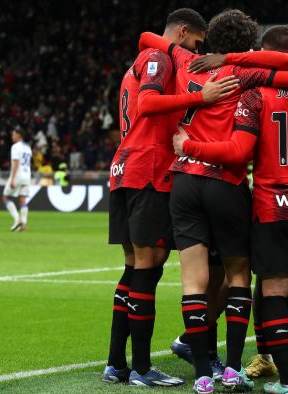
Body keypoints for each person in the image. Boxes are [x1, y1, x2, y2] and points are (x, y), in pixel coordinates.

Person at [141, 11, 288, 394]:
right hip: (230, 182)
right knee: (241, 275)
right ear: (248, 47)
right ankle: (235, 369)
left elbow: (146, 37)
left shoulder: (183, 58)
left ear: (209, 40)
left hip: (185, 180)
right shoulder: (249, 76)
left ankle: (203, 374)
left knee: (194, 281)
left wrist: (191, 95)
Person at [103, 8, 234, 387]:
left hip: (126, 167)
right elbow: (147, 104)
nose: (198, 50)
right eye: (196, 42)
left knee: (133, 269)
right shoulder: (159, 58)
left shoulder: (135, 65)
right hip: (149, 169)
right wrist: (201, 98)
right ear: (181, 32)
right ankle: (142, 369)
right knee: (148, 268)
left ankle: (117, 363)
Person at [2, 128, 32, 232]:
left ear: (19, 135)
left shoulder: (15, 147)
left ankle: (17, 219)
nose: (12, 135)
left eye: (13, 134)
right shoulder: (28, 148)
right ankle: (23, 224)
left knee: (5, 198)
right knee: (23, 199)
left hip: (18, 175)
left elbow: (16, 162)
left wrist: (12, 178)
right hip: (27, 176)